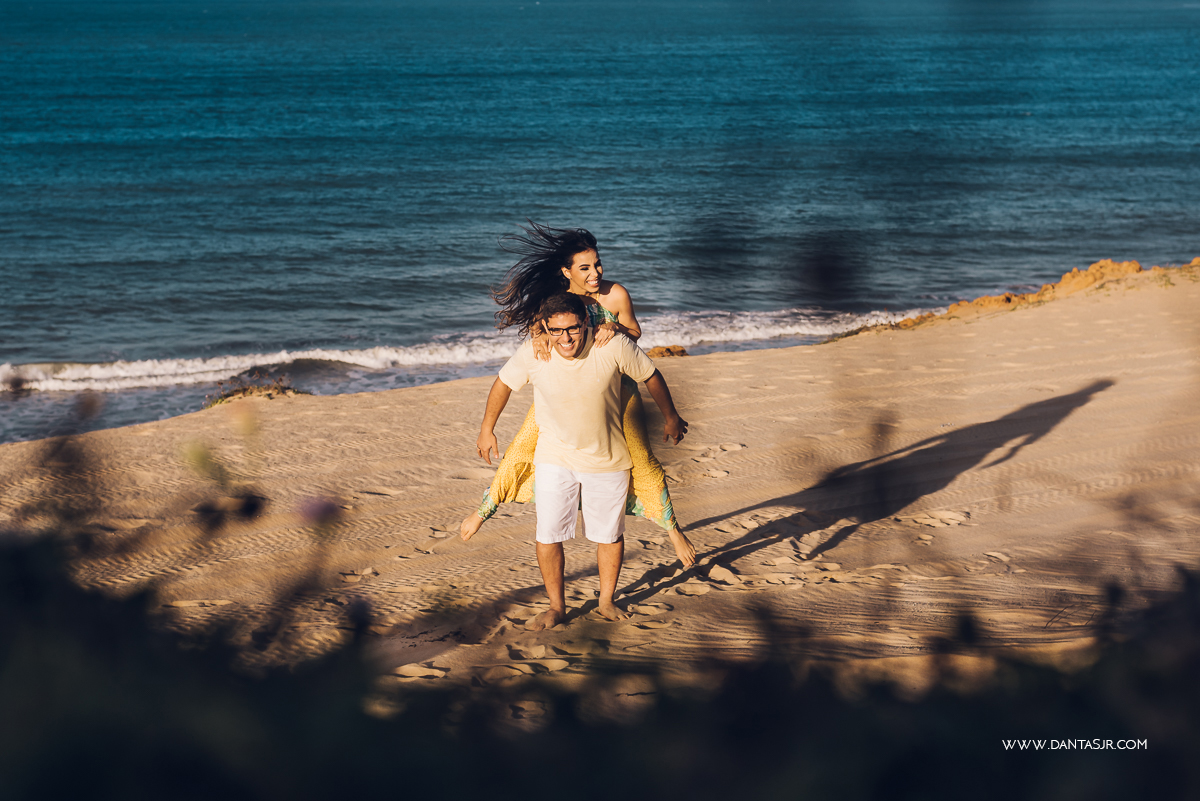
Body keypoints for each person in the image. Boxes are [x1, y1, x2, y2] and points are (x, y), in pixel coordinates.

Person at [459, 222, 697, 568]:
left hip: (617, 389)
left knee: (643, 460)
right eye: (585, 268)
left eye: (597, 264)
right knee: (523, 444)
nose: (596, 273)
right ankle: (485, 509)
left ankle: (673, 529)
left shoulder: (615, 295)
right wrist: (539, 335)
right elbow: (541, 333)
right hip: (563, 392)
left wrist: (615, 327)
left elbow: (635, 333)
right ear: (567, 271)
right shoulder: (555, 301)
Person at [469, 292, 688, 629]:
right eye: (556, 331)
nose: (565, 338)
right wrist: (487, 429)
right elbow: (502, 384)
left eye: (572, 329)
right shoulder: (534, 351)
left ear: (586, 323)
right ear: (544, 328)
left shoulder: (612, 346)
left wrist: (670, 416)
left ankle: (605, 602)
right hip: (555, 458)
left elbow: (651, 375)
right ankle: (556, 607)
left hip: (608, 460)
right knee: (548, 535)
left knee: (609, 536)